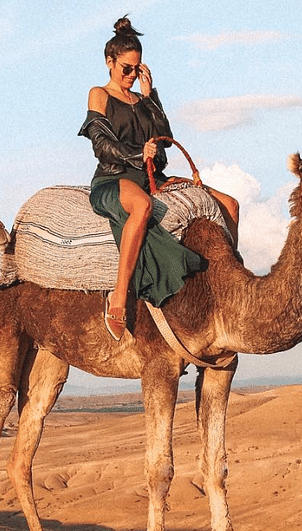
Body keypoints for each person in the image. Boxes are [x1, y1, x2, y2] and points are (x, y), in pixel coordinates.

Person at [79, 17, 239, 341]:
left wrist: (150, 96)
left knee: (229, 204)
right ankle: (119, 297)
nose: (130, 75)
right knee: (141, 206)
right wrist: (140, 154)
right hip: (114, 178)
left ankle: (231, 283)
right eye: (125, 68)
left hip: (152, 176)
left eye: (136, 69)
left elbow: (165, 141)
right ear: (109, 62)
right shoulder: (99, 94)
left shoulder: (142, 101)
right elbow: (101, 144)